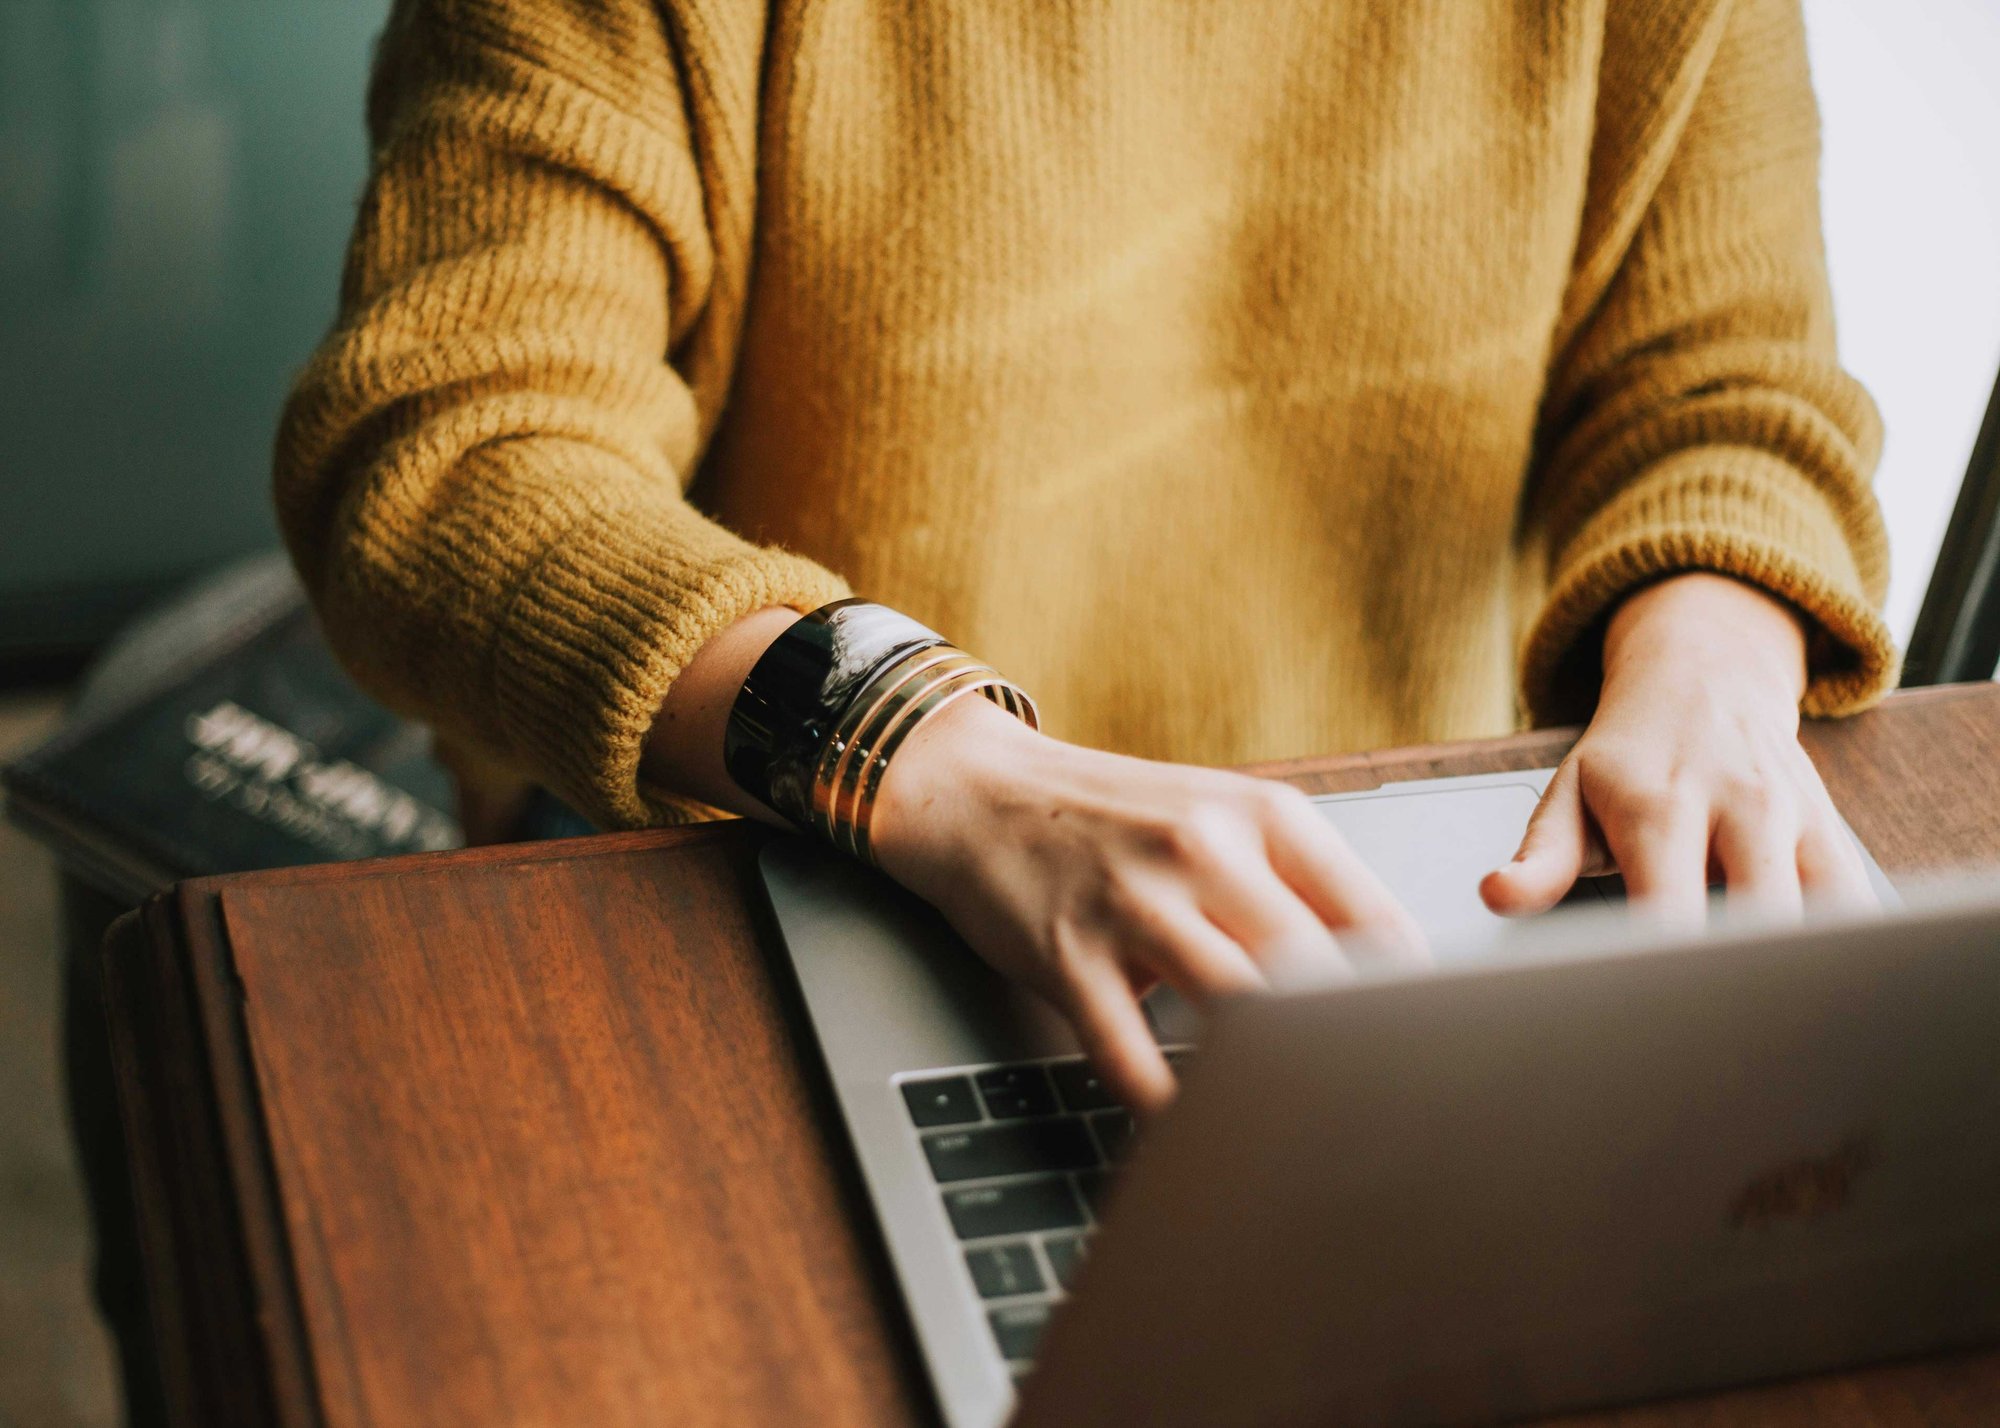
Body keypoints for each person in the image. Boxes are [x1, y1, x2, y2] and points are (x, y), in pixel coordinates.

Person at [276, 0, 1893, 1112]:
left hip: (1392, 904)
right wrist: (916, 750)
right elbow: (449, 447)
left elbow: (1728, 387)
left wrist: (1716, 654)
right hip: (786, 851)